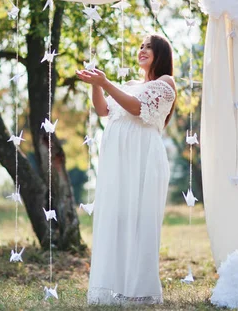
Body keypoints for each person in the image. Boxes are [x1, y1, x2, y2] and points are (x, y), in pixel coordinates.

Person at [76, 33, 177, 306]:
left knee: (140, 219)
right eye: (141, 46)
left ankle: (140, 289)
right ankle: (115, 286)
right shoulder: (131, 84)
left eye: (149, 47)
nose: (142, 50)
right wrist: (96, 84)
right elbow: (102, 110)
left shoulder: (165, 83)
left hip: (143, 157)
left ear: (161, 54)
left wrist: (105, 82)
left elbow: (136, 108)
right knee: (117, 217)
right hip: (118, 162)